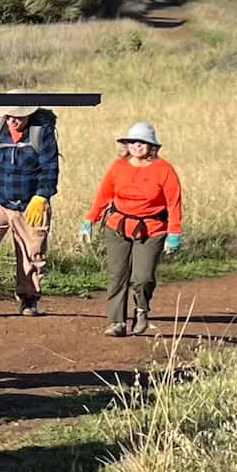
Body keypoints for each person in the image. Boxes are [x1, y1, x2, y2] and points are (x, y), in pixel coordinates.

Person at [81, 121, 185, 336]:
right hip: (117, 226)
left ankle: (141, 310)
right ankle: (116, 322)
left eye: (143, 142)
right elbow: (104, 195)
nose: (138, 146)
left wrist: (174, 233)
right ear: (127, 145)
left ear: (152, 146)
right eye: (133, 142)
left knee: (143, 277)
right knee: (117, 275)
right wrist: (90, 220)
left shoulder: (164, 169)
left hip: (152, 229)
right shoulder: (118, 167)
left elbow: (174, 202)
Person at [0, 97, 62, 315]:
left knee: (32, 254)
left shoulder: (41, 132)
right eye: (9, 116)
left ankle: (29, 300)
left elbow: (50, 168)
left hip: (30, 204)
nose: (12, 121)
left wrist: (42, 197)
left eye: (17, 117)